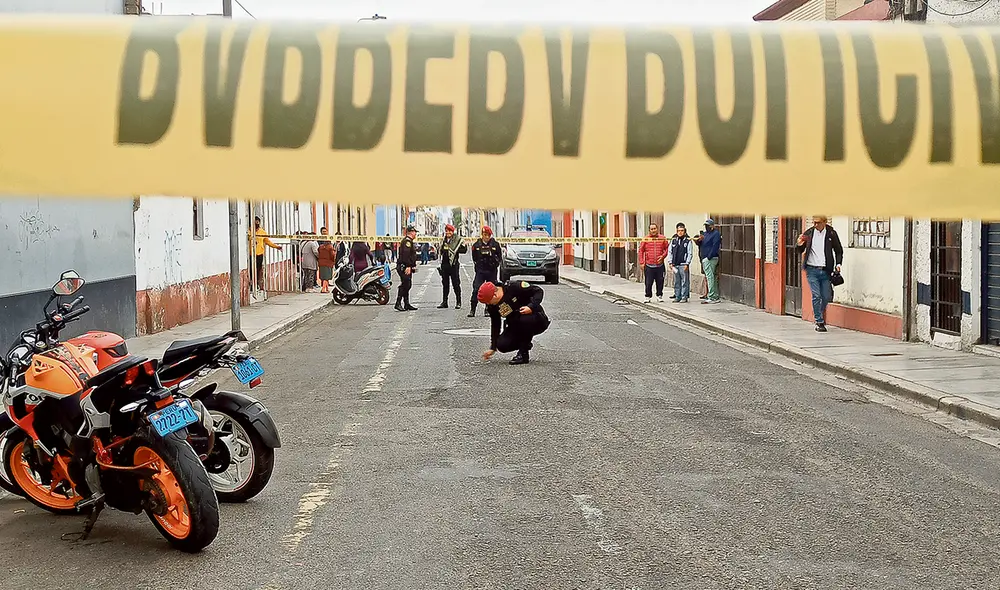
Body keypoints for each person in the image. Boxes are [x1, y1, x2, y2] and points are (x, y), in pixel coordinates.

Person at [478, 280, 550, 365]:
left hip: (535, 319)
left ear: (495, 295)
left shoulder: (513, 287)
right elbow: (495, 324)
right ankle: (525, 343)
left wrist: (531, 307)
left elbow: (538, 291)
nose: (488, 304)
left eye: (488, 301)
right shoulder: (492, 306)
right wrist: (493, 347)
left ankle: (523, 354)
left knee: (524, 319)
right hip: (515, 325)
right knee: (502, 345)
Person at [796, 215, 844, 332]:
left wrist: (838, 264)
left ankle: (819, 312)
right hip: (811, 270)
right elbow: (799, 250)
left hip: (826, 270)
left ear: (824, 222)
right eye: (814, 222)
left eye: (818, 223)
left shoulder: (831, 233)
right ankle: (819, 321)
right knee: (816, 295)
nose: (815, 225)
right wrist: (799, 244)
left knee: (827, 296)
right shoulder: (809, 233)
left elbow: (838, 250)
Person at [468, 225, 502, 317]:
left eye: (488, 235)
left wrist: (495, 262)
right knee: (476, 289)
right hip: (481, 271)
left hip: (491, 271)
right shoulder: (477, 245)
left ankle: (488, 309)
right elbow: (474, 257)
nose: (486, 237)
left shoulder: (495, 244)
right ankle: (472, 309)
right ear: (482, 235)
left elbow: (499, 257)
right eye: (485, 235)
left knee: (491, 291)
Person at [637, 222, 669, 303]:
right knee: (648, 282)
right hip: (649, 265)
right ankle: (647, 296)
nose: (653, 230)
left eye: (655, 228)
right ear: (649, 230)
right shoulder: (645, 239)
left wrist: (663, 256)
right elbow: (641, 250)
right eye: (652, 229)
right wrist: (641, 262)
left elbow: (667, 249)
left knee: (660, 281)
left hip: (660, 265)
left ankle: (659, 295)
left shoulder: (663, 238)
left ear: (657, 229)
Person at [438, 224, 468, 309]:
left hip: (454, 265)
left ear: (452, 231)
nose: (448, 232)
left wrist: (458, 249)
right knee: (445, 284)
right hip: (445, 264)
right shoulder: (443, 240)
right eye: (447, 231)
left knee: (456, 284)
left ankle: (458, 302)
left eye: (449, 231)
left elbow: (464, 250)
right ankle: (444, 302)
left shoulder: (457, 240)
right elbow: (441, 250)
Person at [694, 219, 722, 304]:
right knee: (710, 277)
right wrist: (698, 240)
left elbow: (715, 246)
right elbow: (700, 244)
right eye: (706, 225)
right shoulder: (705, 234)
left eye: (708, 226)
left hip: (711, 258)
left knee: (710, 277)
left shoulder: (716, 234)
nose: (707, 227)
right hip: (704, 258)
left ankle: (712, 296)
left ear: (712, 226)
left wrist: (708, 257)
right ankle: (714, 295)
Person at [253, 216, 282, 292]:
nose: (257, 223)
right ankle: (251, 283)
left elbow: (267, 241)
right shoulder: (249, 231)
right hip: (251, 254)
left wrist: (276, 247)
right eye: (255, 222)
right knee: (251, 270)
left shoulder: (262, 232)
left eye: (258, 222)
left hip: (259, 254)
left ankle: (256, 284)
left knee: (258, 269)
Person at [667, 222, 694, 303]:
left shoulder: (688, 240)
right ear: (676, 231)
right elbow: (670, 251)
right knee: (676, 281)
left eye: (682, 230)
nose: (680, 232)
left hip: (683, 264)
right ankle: (677, 296)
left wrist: (687, 263)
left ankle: (684, 296)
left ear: (684, 231)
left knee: (684, 281)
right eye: (679, 230)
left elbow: (690, 253)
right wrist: (670, 262)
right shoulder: (674, 240)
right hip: (675, 264)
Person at [395, 225, 419, 311]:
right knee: (405, 285)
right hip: (404, 267)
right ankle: (398, 303)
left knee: (407, 285)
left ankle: (406, 304)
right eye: (415, 232)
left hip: (406, 266)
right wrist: (408, 266)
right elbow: (405, 255)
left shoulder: (409, 241)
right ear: (411, 232)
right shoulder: (407, 242)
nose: (415, 234)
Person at [317, 227, 335, 293]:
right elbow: (332, 255)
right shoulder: (330, 247)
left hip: (321, 262)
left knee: (323, 276)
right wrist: (334, 261)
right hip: (328, 263)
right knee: (326, 277)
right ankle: (323, 289)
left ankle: (326, 288)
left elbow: (318, 252)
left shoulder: (320, 247)